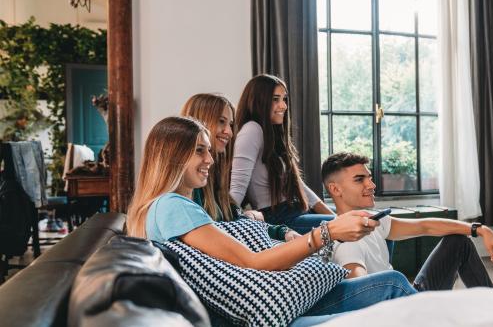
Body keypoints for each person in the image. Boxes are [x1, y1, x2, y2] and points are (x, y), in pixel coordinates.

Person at [126, 117, 417, 324]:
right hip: (266, 310)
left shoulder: (160, 208)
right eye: (199, 150)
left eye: (209, 151)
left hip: (266, 303)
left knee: (393, 282)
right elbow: (254, 262)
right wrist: (327, 233)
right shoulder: (172, 207)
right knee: (394, 293)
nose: (210, 160)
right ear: (173, 155)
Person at [321, 152, 493, 291]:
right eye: (359, 180)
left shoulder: (372, 220)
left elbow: (424, 225)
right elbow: (360, 291)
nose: (371, 185)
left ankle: (492, 306)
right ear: (336, 189)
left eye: (369, 178)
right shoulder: (346, 243)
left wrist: (480, 229)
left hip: (406, 296)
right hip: (400, 310)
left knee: (459, 242)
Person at [180, 93, 298, 241]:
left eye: (230, 124)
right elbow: (218, 234)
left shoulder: (215, 178)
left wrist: (283, 232)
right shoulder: (190, 184)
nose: (229, 132)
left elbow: (234, 217)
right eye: (221, 122)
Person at [231, 74, 334, 233]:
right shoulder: (252, 130)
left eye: (284, 99)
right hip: (278, 218)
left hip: (295, 211)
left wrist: (335, 216)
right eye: (275, 99)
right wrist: (224, 225)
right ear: (259, 101)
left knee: (372, 221)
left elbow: (300, 186)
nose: (284, 105)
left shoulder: (272, 134)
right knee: (366, 224)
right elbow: (237, 187)